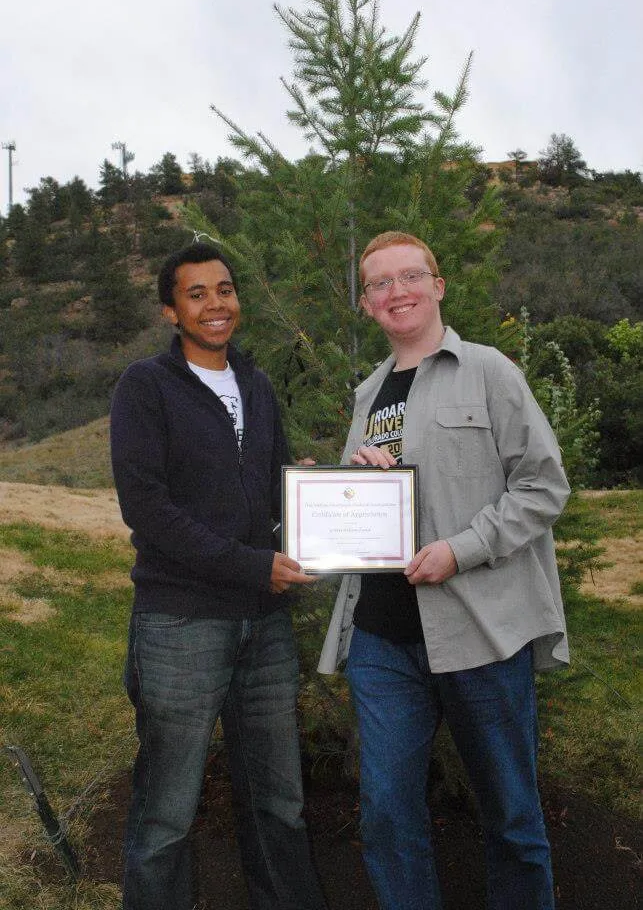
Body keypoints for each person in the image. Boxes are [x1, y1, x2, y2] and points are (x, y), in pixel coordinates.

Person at [318, 231, 570, 910]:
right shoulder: (367, 393)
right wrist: (337, 491)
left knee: (511, 817)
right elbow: (366, 509)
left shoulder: (488, 372)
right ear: (367, 304)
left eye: (409, 276)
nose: (395, 291)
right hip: (380, 639)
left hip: (479, 632)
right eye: (379, 283)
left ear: (437, 286)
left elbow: (543, 487)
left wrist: (460, 548)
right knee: (388, 816)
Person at [110, 242, 327, 910]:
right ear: (170, 310)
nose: (215, 305)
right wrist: (251, 565)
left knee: (278, 800)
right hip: (181, 622)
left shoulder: (255, 387)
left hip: (263, 625)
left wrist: (311, 508)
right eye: (197, 293)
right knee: (167, 807)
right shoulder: (145, 388)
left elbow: (270, 491)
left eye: (225, 290)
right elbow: (147, 509)